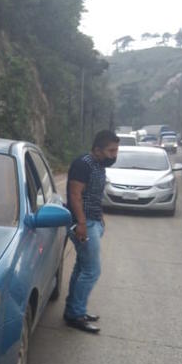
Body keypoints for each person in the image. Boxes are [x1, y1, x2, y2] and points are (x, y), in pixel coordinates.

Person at [63, 130, 120, 333]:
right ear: (97, 150)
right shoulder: (83, 164)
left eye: (116, 150)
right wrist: (81, 223)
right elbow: (75, 195)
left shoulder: (99, 164)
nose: (114, 155)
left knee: (81, 268)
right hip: (83, 223)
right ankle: (76, 315)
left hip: (93, 222)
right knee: (92, 271)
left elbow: (93, 195)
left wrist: (100, 217)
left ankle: (74, 310)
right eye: (111, 151)